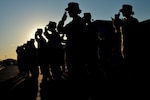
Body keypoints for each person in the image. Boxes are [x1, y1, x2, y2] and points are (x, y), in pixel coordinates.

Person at [57, 2, 88, 81]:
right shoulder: (79, 21)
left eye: (69, 10)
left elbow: (60, 30)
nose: (68, 12)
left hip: (74, 51)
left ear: (73, 11)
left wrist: (62, 20)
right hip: (78, 50)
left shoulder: (75, 22)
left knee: (75, 73)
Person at [112, 4, 140, 80]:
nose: (122, 13)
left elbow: (135, 33)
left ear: (128, 12)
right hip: (124, 49)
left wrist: (117, 22)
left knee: (131, 69)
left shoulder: (133, 21)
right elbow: (117, 30)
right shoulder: (124, 22)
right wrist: (115, 22)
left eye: (123, 11)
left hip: (132, 49)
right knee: (126, 69)